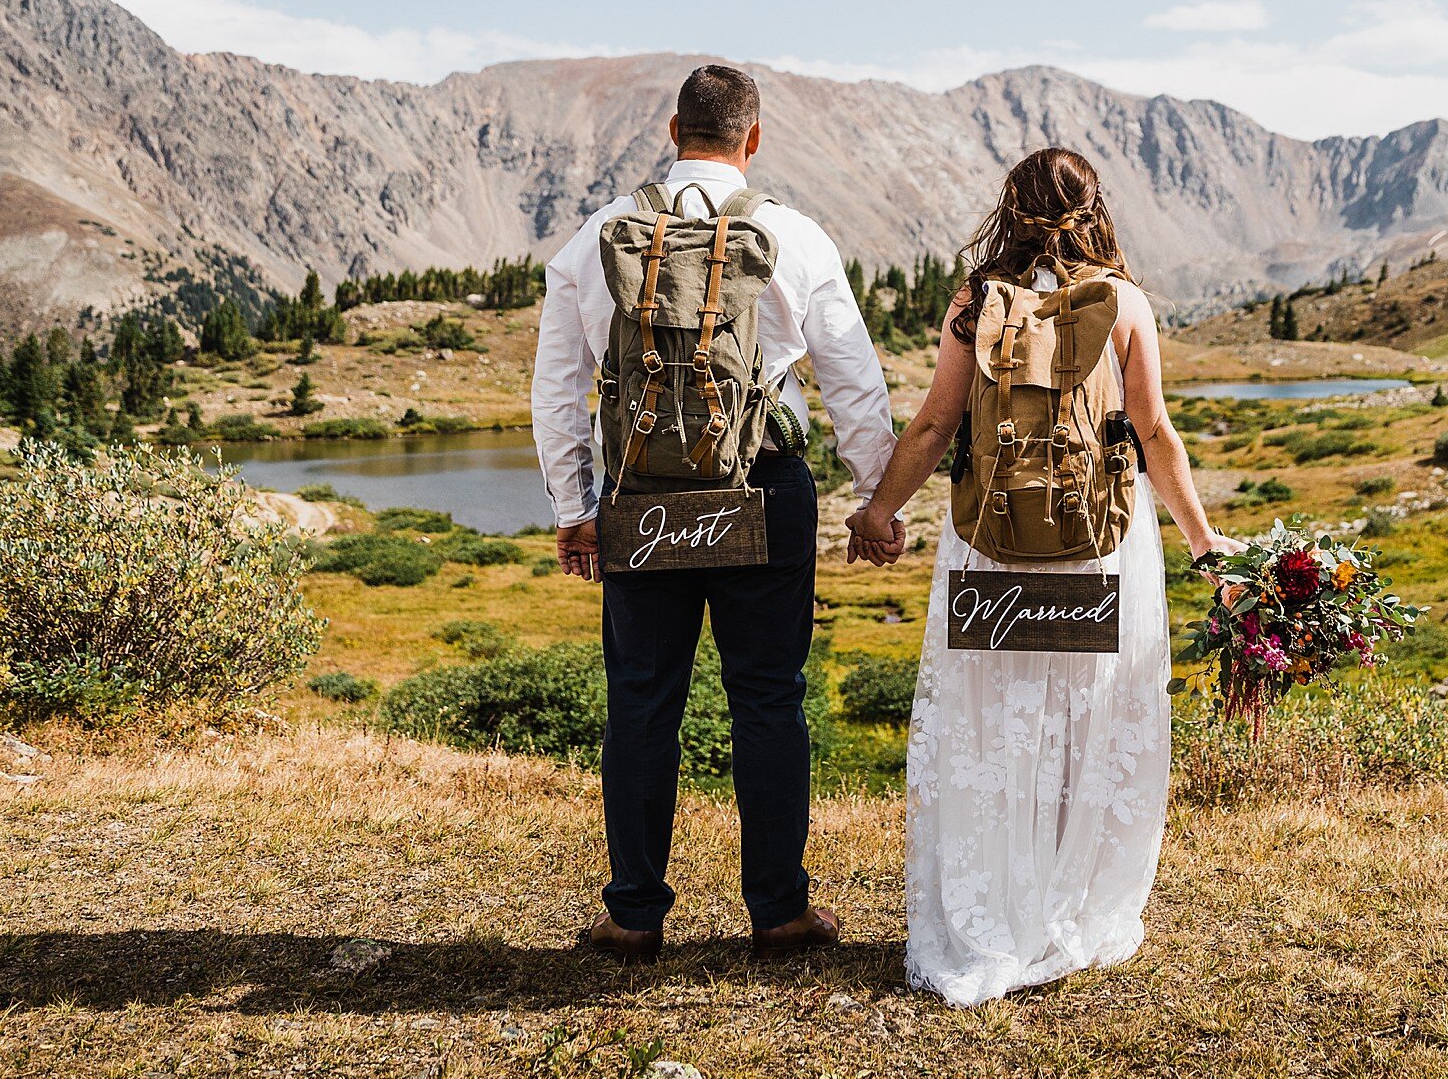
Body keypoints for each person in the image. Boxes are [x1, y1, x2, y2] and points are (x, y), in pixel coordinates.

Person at [844, 147, 1244, 1006]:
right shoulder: (1125, 302)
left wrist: (879, 513)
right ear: (1094, 203)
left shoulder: (974, 302)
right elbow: (1157, 435)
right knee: (1088, 718)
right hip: (1100, 542)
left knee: (995, 721)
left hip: (990, 542)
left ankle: (995, 909)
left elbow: (932, 426)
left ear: (1009, 207)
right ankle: (1071, 905)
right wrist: (1210, 553)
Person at [532, 62, 901, 963]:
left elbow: (558, 387)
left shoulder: (599, 237)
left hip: (643, 498)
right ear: (754, 136)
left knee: (643, 702)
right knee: (769, 700)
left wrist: (575, 506)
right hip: (763, 491)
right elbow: (853, 377)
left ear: (671, 129)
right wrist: (874, 499)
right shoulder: (794, 235)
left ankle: (632, 916)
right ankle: (778, 912)